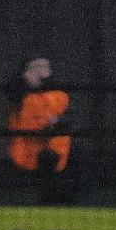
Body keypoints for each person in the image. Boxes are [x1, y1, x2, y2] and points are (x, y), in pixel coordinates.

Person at [7, 57, 73, 205]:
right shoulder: (23, 96)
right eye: (35, 67)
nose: (40, 70)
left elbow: (68, 117)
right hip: (26, 157)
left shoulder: (59, 96)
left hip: (53, 159)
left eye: (44, 66)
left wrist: (57, 122)